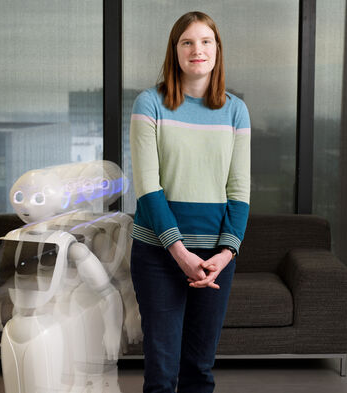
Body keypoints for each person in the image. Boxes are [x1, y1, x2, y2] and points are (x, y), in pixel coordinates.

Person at [129, 11, 251, 393]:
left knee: (199, 369)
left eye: (206, 41)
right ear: (175, 51)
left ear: (217, 51)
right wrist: (179, 252)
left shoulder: (235, 110)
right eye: (187, 42)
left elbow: (239, 188)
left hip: (215, 258)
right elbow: (148, 187)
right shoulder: (149, 103)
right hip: (158, 255)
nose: (197, 49)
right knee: (162, 373)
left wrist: (227, 252)